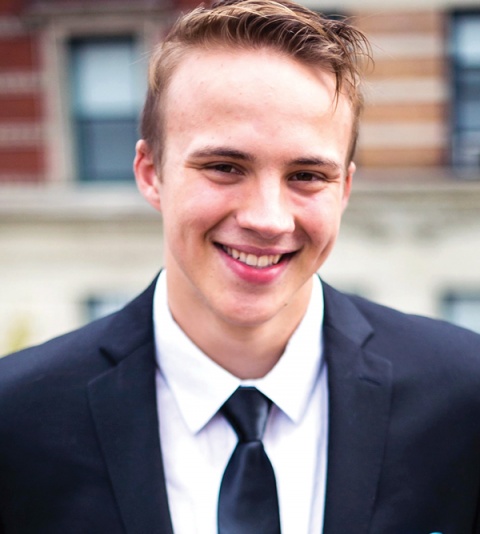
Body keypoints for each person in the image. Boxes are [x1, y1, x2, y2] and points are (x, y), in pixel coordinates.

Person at [1, 0, 479, 532]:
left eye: (306, 175)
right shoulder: (16, 419)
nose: (269, 219)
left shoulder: (465, 395)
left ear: (344, 188)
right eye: (225, 167)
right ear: (150, 173)